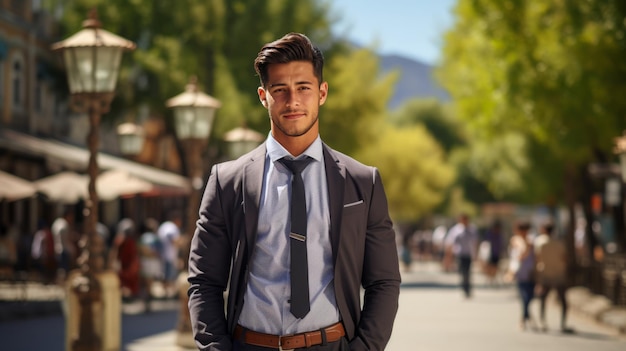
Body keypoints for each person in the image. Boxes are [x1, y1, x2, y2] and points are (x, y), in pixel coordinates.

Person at [187, 33, 401, 351]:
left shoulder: (362, 182)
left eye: (303, 88)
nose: (293, 101)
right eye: (280, 90)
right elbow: (204, 281)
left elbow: (383, 281)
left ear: (322, 92)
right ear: (263, 96)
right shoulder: (227, 182)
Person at [534, 222, 571, 333]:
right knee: (563, 300)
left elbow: (537, 258)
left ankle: (542, 322)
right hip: (559, 273)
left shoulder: (540, 242)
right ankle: (563, 324)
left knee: (543, 298)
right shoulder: (559, 243)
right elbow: (564, 258)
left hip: (545, 273)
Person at [506, 220, 537, 331]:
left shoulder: (532, 240)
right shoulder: (516, 240)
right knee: (524, 296)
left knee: (530, 296)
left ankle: (525, 316)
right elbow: (520, 254)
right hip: (520, 272)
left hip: (531, 271)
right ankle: (524, 318)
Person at [444, 213, 478, 298]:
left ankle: (467, 287)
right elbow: (450, 242)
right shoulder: (456, 230)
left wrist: (476, 254)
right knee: (462, 271)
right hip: (460, 254)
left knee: (468, 272)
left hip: (468, 254)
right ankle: (464, 286)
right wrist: (449, 256)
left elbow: (475, 242)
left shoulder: (472, 229)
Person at [157, 213, 182, 298]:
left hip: (163, 254)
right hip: (169, 255)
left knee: (166, 274)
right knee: (169, 275)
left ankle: (166, 292)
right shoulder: (172, 227)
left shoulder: (165, 226)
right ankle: (168, 293)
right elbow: (174, 240)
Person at [482, 219, 505, 286]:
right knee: (489, 266)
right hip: (489, 253)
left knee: (495, 266)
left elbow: (501, 244)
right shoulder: (489, 234)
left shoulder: (500, 235)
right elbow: (485, 243)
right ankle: (489, 278)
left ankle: (493, 278)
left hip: (496, 253)